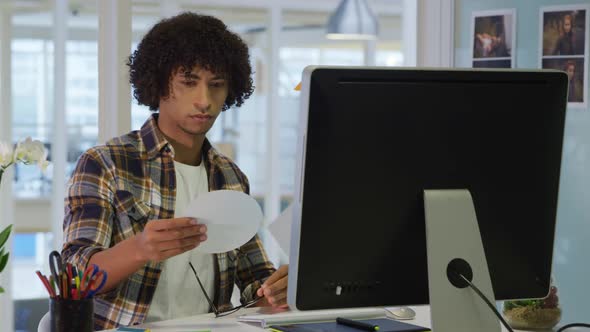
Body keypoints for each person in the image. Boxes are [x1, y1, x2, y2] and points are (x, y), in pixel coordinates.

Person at [62, 12, 288, 330]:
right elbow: (73, 279)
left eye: (216, 85)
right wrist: (139, 249)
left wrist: (278, 289)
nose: (204, 101)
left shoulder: (232, 178)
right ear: (159, 82)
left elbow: (256, 284)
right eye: (188, 82)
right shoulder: (106, 164)